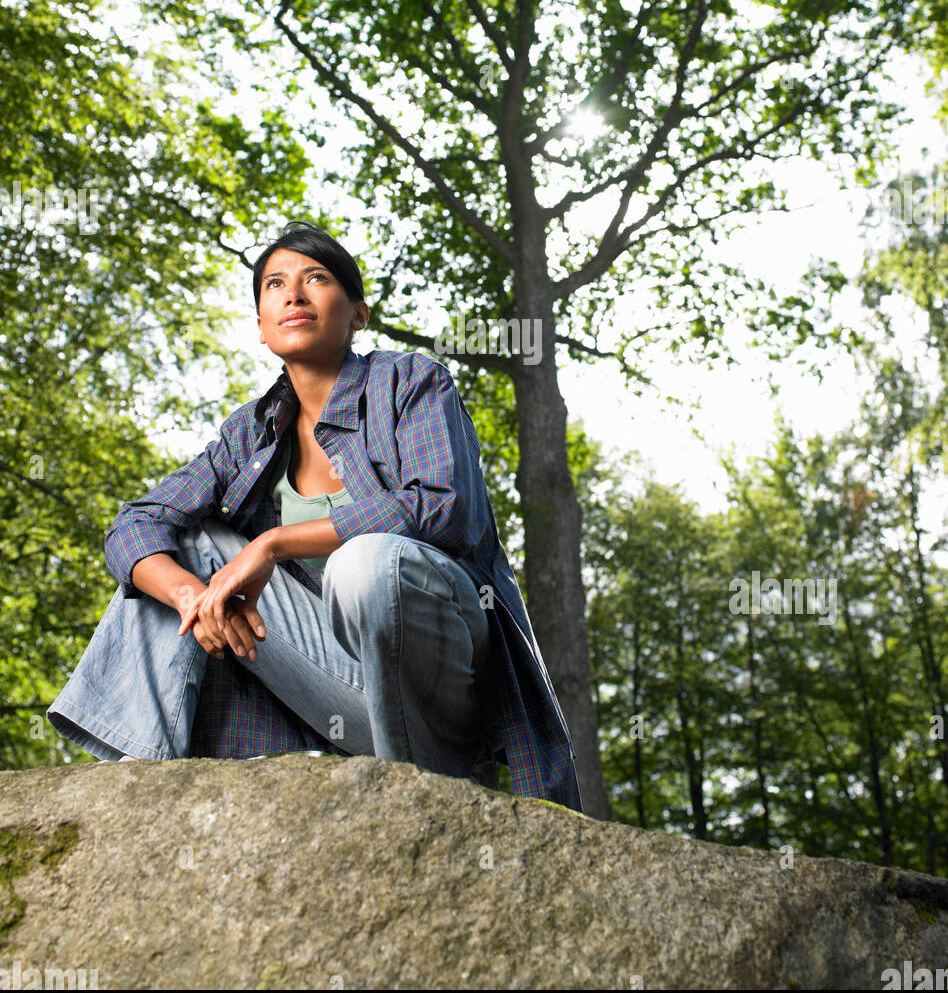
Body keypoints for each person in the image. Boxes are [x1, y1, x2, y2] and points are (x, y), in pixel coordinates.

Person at [48, 221, 583, 811]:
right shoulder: (250, 432)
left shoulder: (410, 382)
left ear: (357, 313)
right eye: (275, 284)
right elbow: (137, 522)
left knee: (368, 561)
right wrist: (191, 601)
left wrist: (272, 543)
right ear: (260, 325)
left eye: (316, 278)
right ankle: (143, 785)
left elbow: (442, 507)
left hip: (448, 691)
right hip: (349, 698)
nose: (293, 295)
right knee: (188, 545)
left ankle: (435, 793)